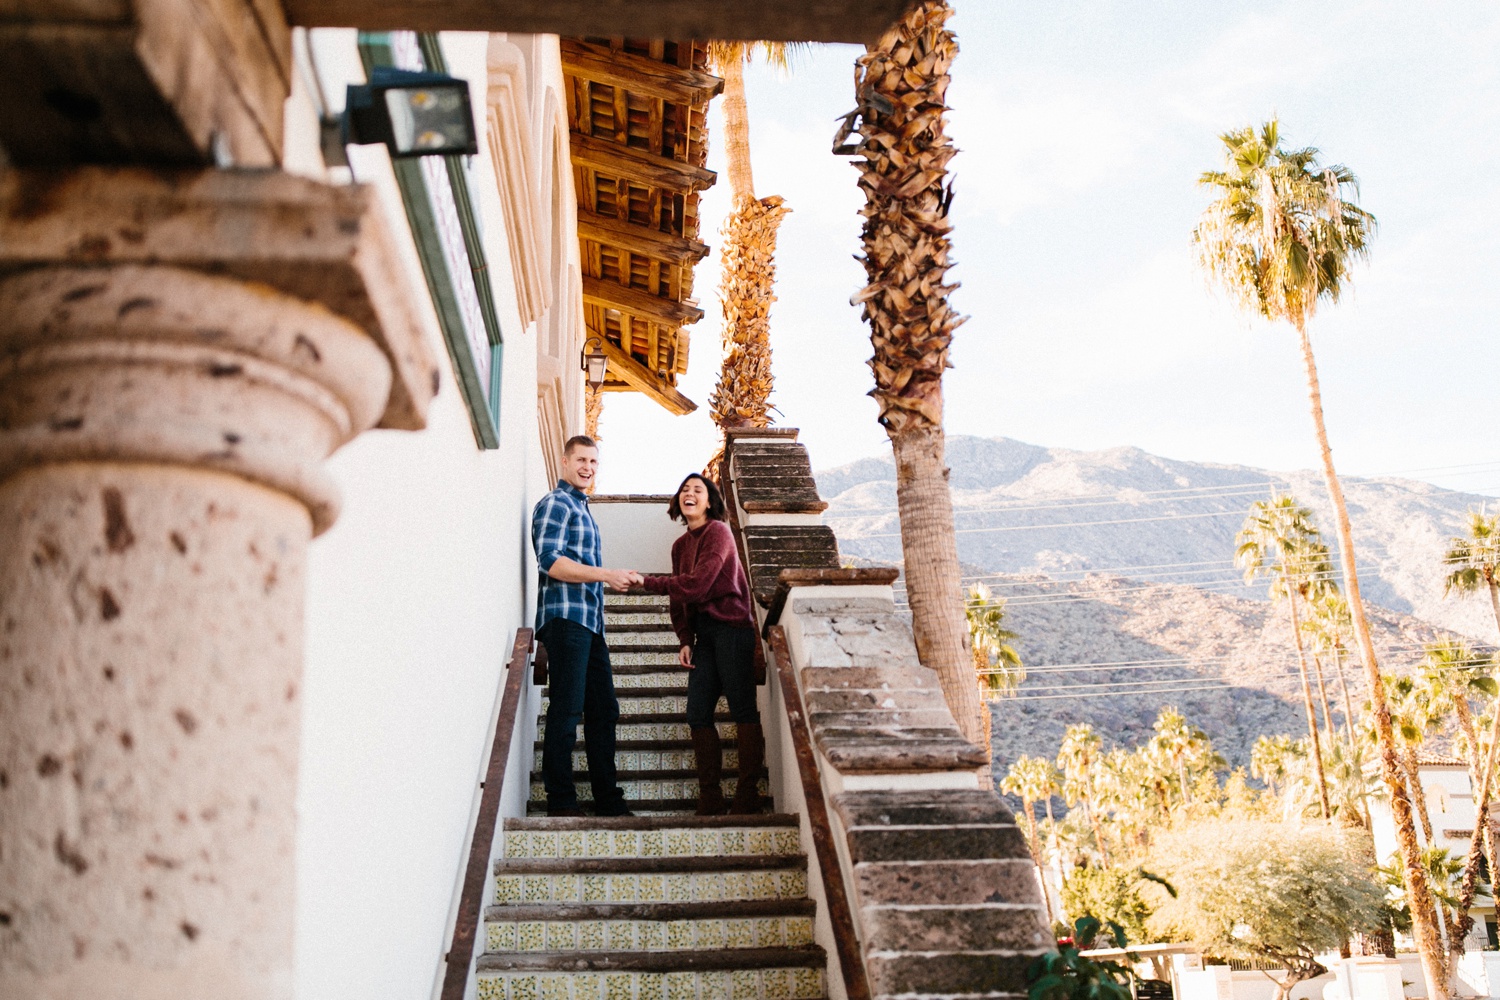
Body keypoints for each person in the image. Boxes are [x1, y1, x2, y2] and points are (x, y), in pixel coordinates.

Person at [530, 435, 642, 817]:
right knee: (567, 707)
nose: (588, 468)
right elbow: (550, 561)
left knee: (604, 710)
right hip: (565, 619)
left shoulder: (583, 509)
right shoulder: (556, 503)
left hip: (591, 625)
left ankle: (607, 800)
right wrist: (607, 574)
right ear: (565, 462)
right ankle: (561, 802)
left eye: (593, 462)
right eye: (581, 460)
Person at [640, 473, 763, 815]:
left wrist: (645, 582)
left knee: (742, 710)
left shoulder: (719, 532)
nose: (689, 494)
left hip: (733, 628)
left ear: (710, 501)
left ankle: (747, 794)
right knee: (697, 714)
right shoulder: (680, 546)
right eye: (684, 489)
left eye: (698, 490)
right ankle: (710, 796)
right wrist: (685, 638)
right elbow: (679, 598)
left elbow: (697, 585)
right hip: (704, 636)